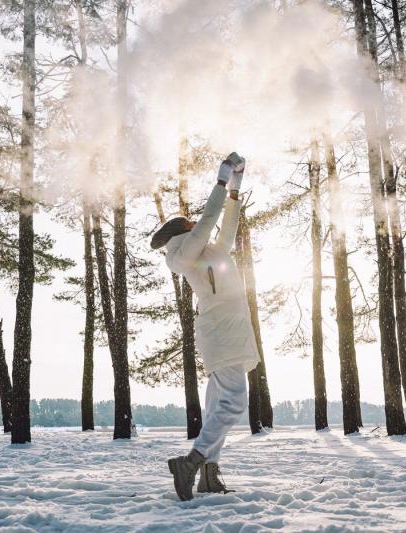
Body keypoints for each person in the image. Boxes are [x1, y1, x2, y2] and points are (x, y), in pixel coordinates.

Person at [150, 152, 260, 501]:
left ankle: (209, 477)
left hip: (226, 334)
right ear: (183, 232)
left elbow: (226, 227)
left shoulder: (205, 254)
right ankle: (192, 462)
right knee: (232, 404)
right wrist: (221, 177)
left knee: (217, 407)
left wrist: (236, 187)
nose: (197, 228)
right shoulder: (184, 254)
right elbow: (210, 219)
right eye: (191, 226)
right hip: (223, 335)